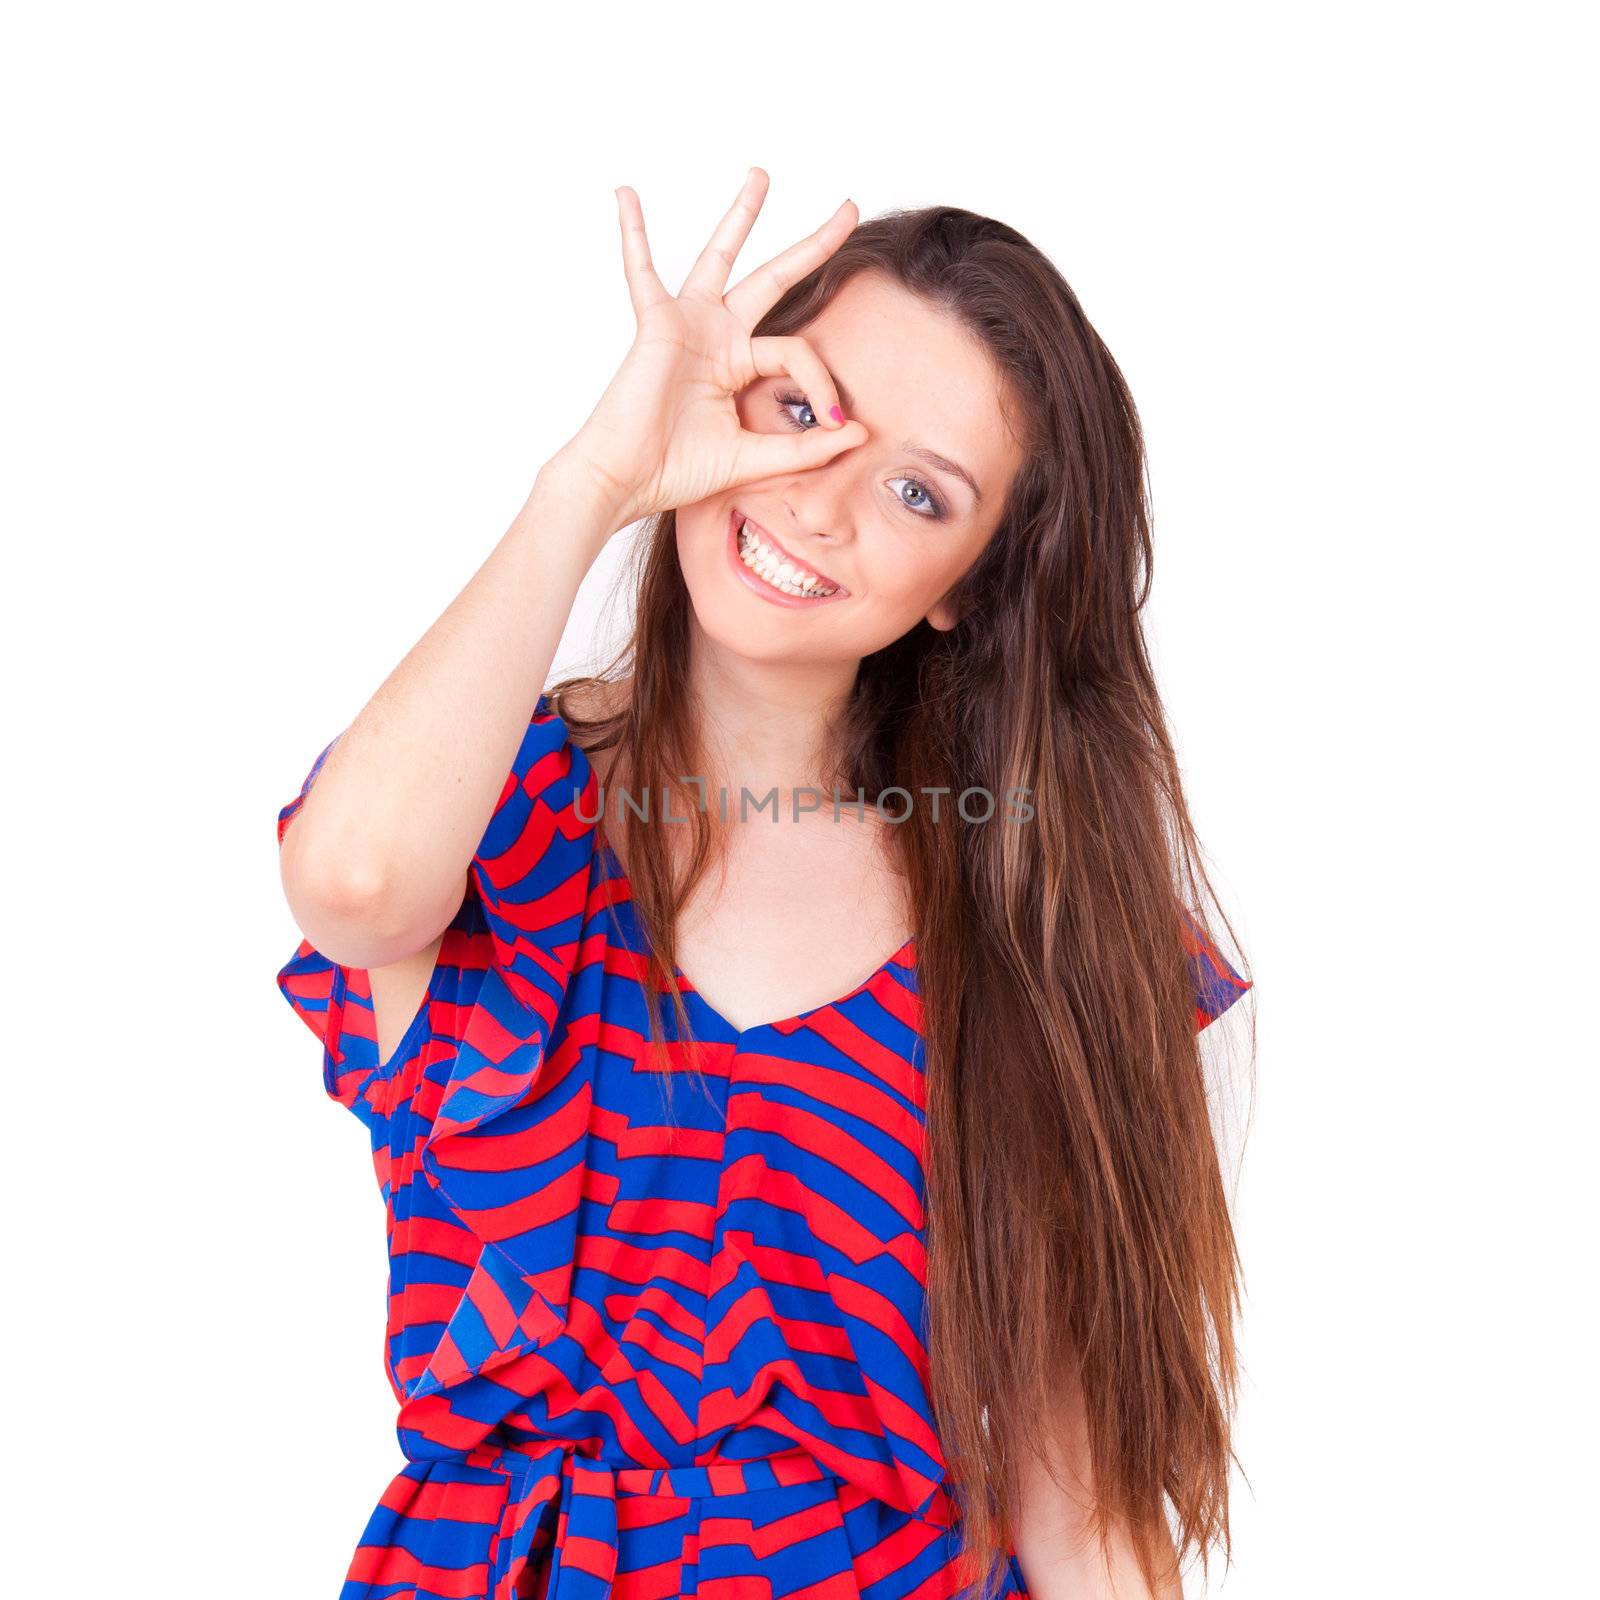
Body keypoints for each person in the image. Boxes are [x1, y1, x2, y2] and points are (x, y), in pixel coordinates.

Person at [275, 168, 1252, 1600]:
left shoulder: (1023, 914)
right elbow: (352, 886)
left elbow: (1078, 1495)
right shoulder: (497, 816)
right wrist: (594, 480)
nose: (821, 503)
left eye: (918, 492)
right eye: (801, 411)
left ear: (964, 587)